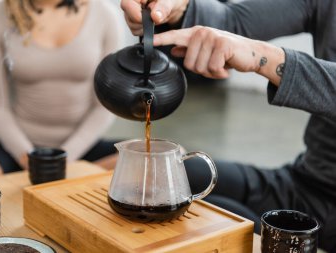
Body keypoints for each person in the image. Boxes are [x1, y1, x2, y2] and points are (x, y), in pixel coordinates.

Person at [121, 0, 336, 251]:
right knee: (153, 177)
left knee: (224, 230)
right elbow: (234, 22)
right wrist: (177, 8)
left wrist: (263, 58)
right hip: (305, 182)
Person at [0, 0, 123, 176]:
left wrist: (63, 159)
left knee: (148, 162)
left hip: (84, 148)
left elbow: (103, 107)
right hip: (17, 151)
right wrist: (29, 158)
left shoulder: (105, 14)